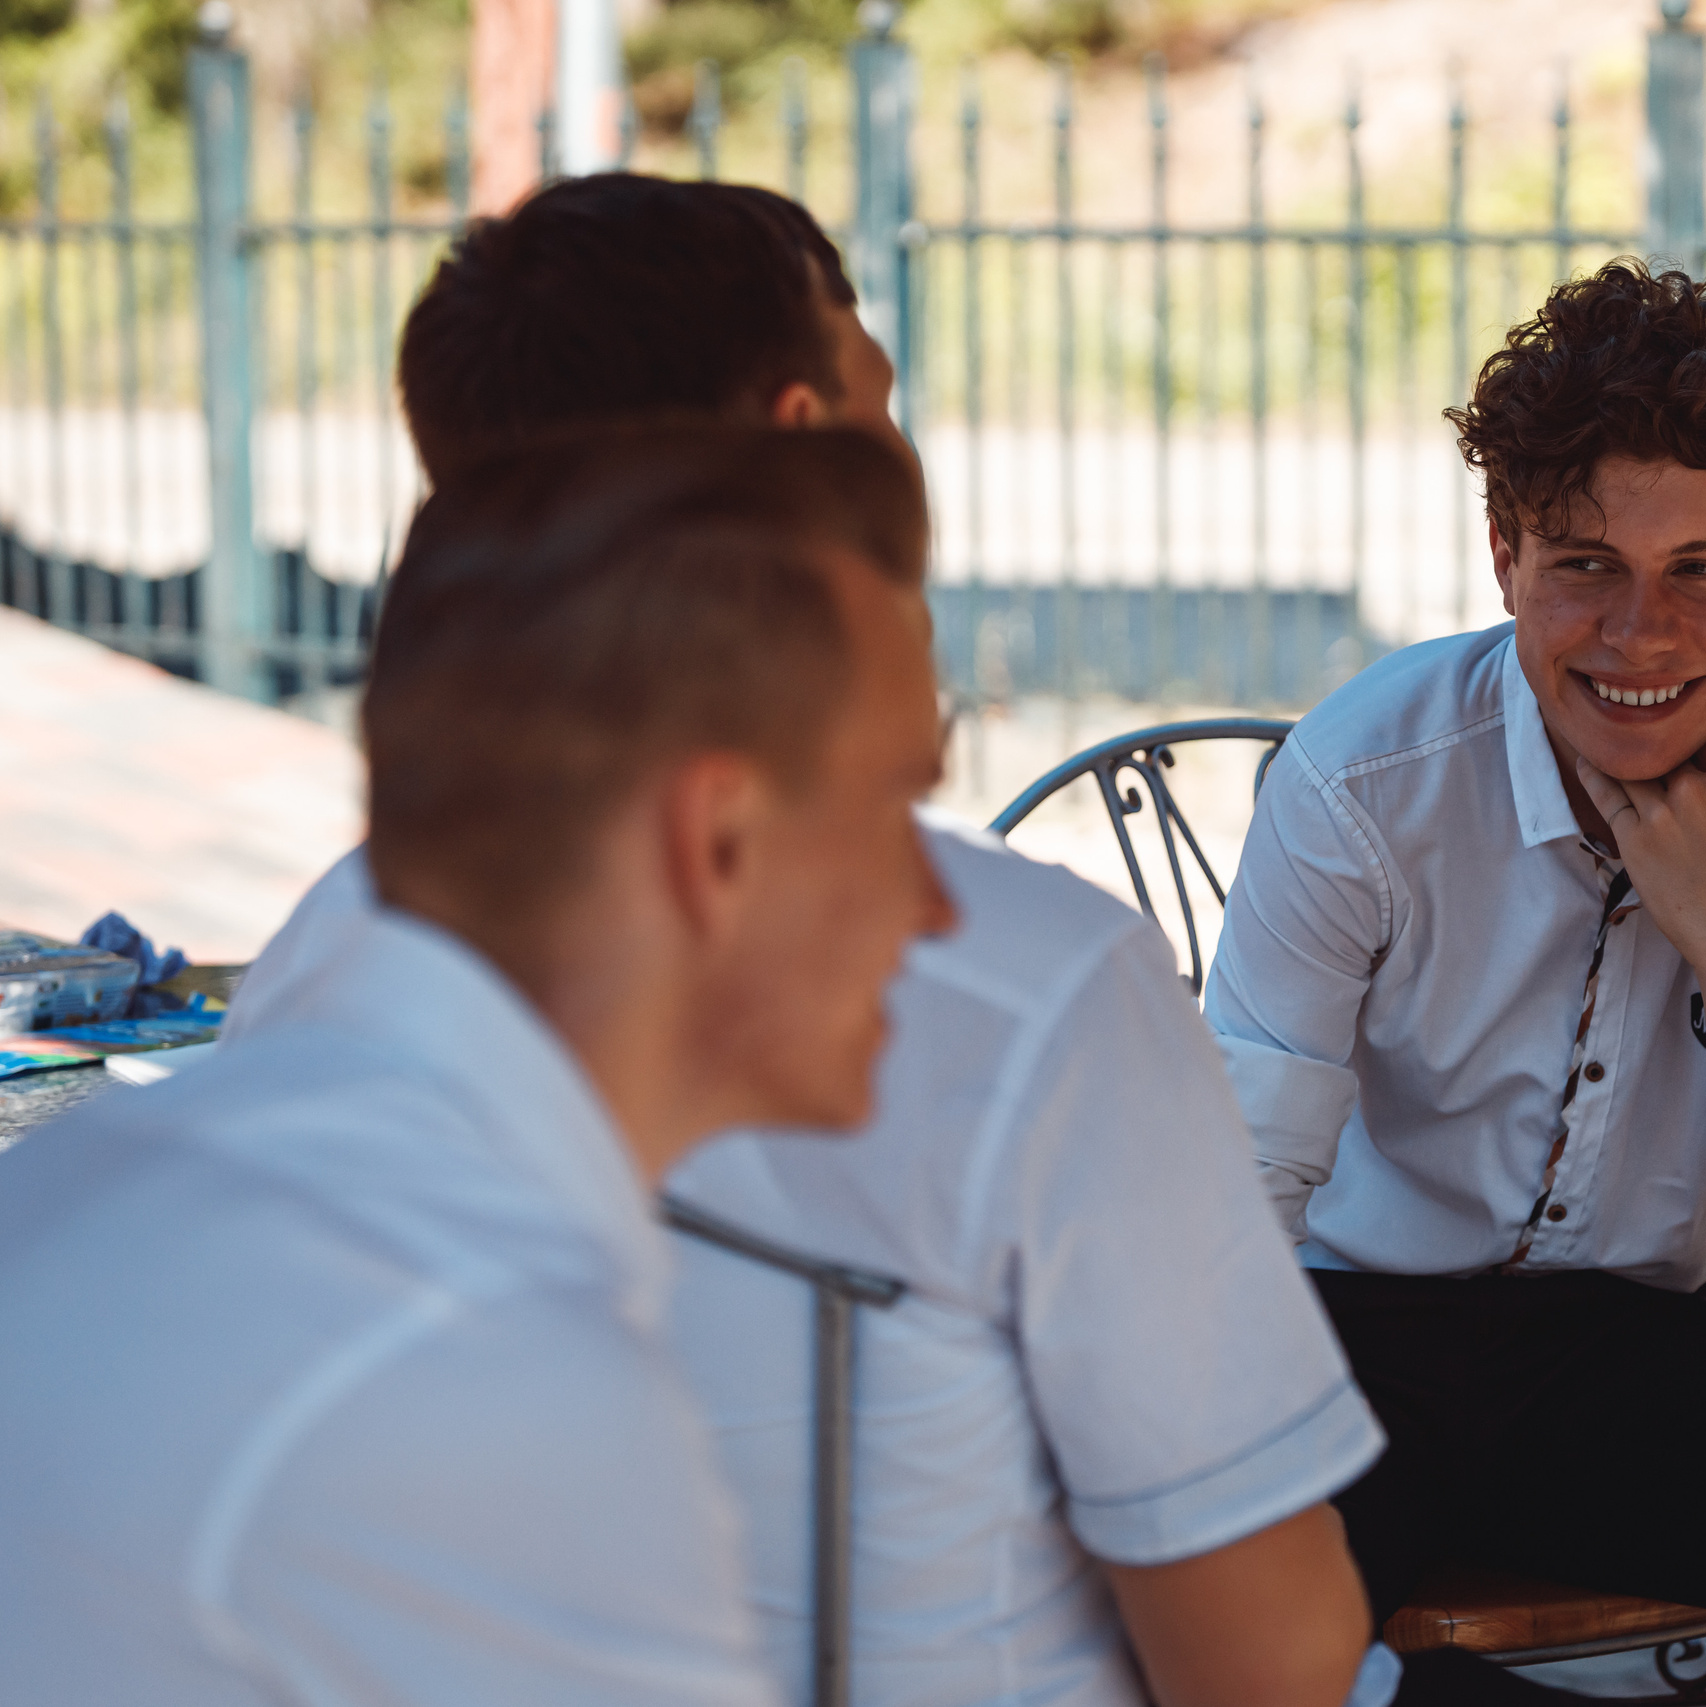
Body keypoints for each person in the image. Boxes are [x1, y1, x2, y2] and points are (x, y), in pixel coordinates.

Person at [223, 173, 1398, 1707]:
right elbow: (1271, 1661)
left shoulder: (325, 957)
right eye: (880, 402)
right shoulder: (1032, 981)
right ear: (803, 439)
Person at [0, 425, 953, 1703]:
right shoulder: (493, 1370)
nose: (940, 906)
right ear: (716, 842)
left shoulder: (102, 1175)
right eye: (897, 808)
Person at [1204, 260, 1706, 1705]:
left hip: (1635, 1358)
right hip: (1349, 1348)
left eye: (1701, 570)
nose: (1641, 634)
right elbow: (1234, 1222)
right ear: (1505, 551)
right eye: (1585, 562)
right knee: (1200, 1577)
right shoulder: (1362, 780)